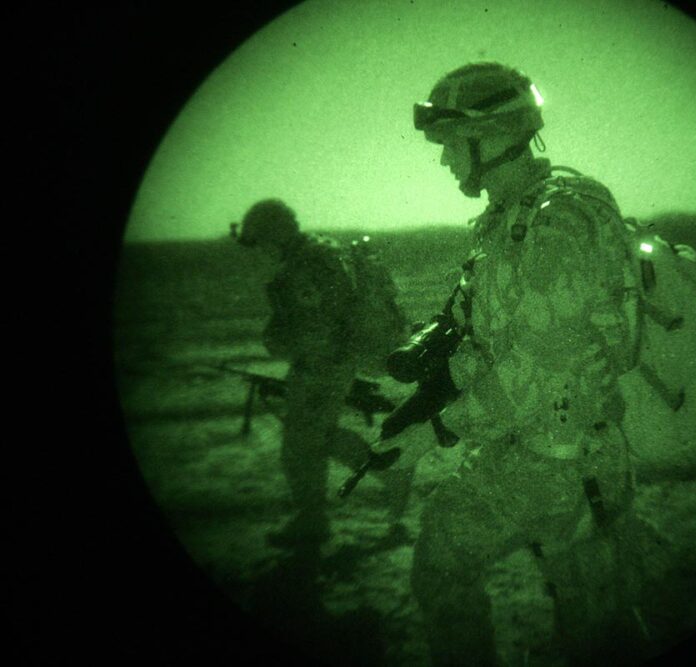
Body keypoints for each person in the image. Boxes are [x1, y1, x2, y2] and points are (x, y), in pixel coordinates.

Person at [408, 63, 648, 666]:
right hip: (533, 452)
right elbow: (489, 344)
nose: (444, 162)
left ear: (488, 137)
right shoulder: (503, 222)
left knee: (593, 631)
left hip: (572, 463)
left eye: (450, 147)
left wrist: (432, 434)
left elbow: (543, 371)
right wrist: (415, 399)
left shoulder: (560, 220)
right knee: (588, 624)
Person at [236, 199, 410, 550]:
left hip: (323, 366)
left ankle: (320, 516)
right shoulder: (317, 254)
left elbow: (318, 326)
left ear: (276, 235)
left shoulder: (304, 266)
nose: (262, 252)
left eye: (262, 242)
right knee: (315, 439)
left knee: (302, 444)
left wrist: (277, 341)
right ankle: (380, 479)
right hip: (327, 363)